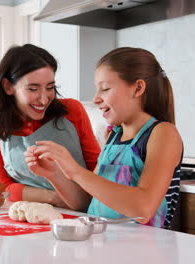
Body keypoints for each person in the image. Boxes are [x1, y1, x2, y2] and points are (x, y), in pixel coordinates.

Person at [25, 47, 183, 228]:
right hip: (104, 245)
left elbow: (143, 208)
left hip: (144, 250)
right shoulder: (113, 136)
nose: (96, 99)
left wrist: (76, 171)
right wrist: (54, 174)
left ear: (138, 88)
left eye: (105, 89)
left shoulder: (162, 133)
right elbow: (87, 203)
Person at [0, 44, 101, 208]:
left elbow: (99, 170)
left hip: (84, 213)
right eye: (33, 89)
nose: (44, 100)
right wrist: (54, 198)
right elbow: (2, 185)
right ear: (8, 87)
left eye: (50, 87)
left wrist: (79, 200)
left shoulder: (72, 110)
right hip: (32, 211)